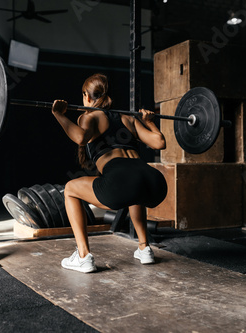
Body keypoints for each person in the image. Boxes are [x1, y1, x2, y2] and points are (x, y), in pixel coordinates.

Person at [52, 73, 167, 273]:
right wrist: (149, 121)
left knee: (70, 189)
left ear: (86, 97)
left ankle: (83, 256)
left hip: (121, 182)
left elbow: (80, 138)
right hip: (154, 182)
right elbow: (159, 142)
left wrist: (59, 115)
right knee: (133, 188)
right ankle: (144, 247)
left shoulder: (89, 116)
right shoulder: (128, 119)